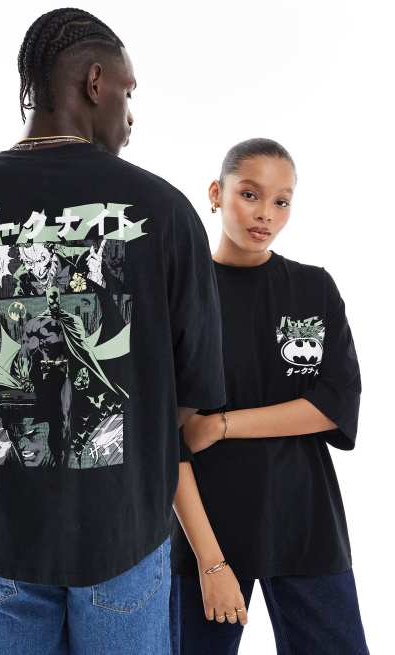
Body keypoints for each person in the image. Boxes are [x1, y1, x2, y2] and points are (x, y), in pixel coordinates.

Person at [0, 8, 226, 654]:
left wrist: (20, 425)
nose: (130, 116)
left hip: (3, 541)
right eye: (128, 92)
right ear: (95, 82)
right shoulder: (165, 213)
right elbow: (191, 396)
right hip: (122, 538)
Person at [169, 138, 370, 655]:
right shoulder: (182, 298)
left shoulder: (313, 288)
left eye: (282, 201)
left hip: (306, 526)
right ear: (216, 193)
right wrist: (210, 563)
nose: (266, 214)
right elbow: (167, 442)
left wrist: (222, 425)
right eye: (250, 194)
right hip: (207, 532)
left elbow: (334, 403)